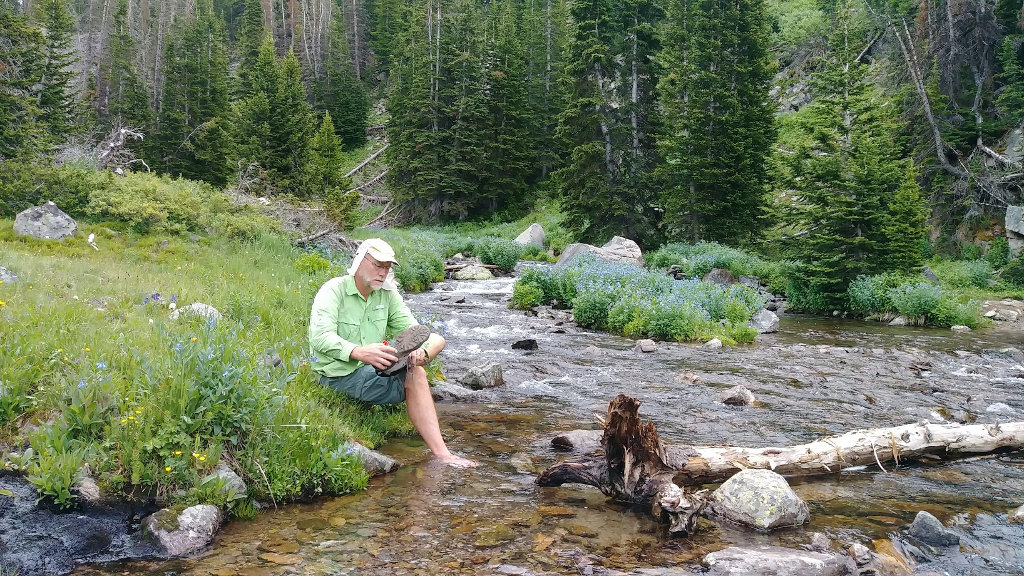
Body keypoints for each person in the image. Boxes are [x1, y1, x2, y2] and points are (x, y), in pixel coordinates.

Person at [308, 238, 477, 468]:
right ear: (359, 260)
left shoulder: (387, 295)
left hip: (374, 372)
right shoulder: (333, 290)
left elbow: (414, 331)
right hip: (336, 376)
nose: (383, 273)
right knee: (416, 376)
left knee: (419, 367)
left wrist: (421, 353)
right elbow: (319, 337)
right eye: (377, 265)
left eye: (387, 268)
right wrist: (358, 352)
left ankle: (442, 454)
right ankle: (444, 456)